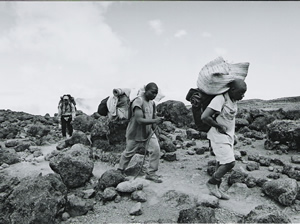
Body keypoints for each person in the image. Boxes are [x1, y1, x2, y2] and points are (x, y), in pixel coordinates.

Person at [201, 79, 247, 199]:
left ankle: (217, 189)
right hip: (217, 135)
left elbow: (229, 119)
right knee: (229, 163)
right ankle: (211, 183)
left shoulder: (233, 100)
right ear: (232, 90)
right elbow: (204, 117)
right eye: (241, 93)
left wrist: (233, 135)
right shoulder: (220, 99)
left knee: (220, 162)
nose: (243, 96)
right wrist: (218, 126)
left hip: (228, 136)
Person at [118, 82, 164, 183]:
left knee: (155, 149)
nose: (154, 95)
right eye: (152, 92)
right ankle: (120, 171)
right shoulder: (138, 101)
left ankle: (151, 173)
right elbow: (139, 120)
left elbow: (152, 117)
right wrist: (155, 121)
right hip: (135, 132)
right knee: (128, 153)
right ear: (146, 91)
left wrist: (156, 129)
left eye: (156, 93)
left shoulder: (152, 103)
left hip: (148, 132)